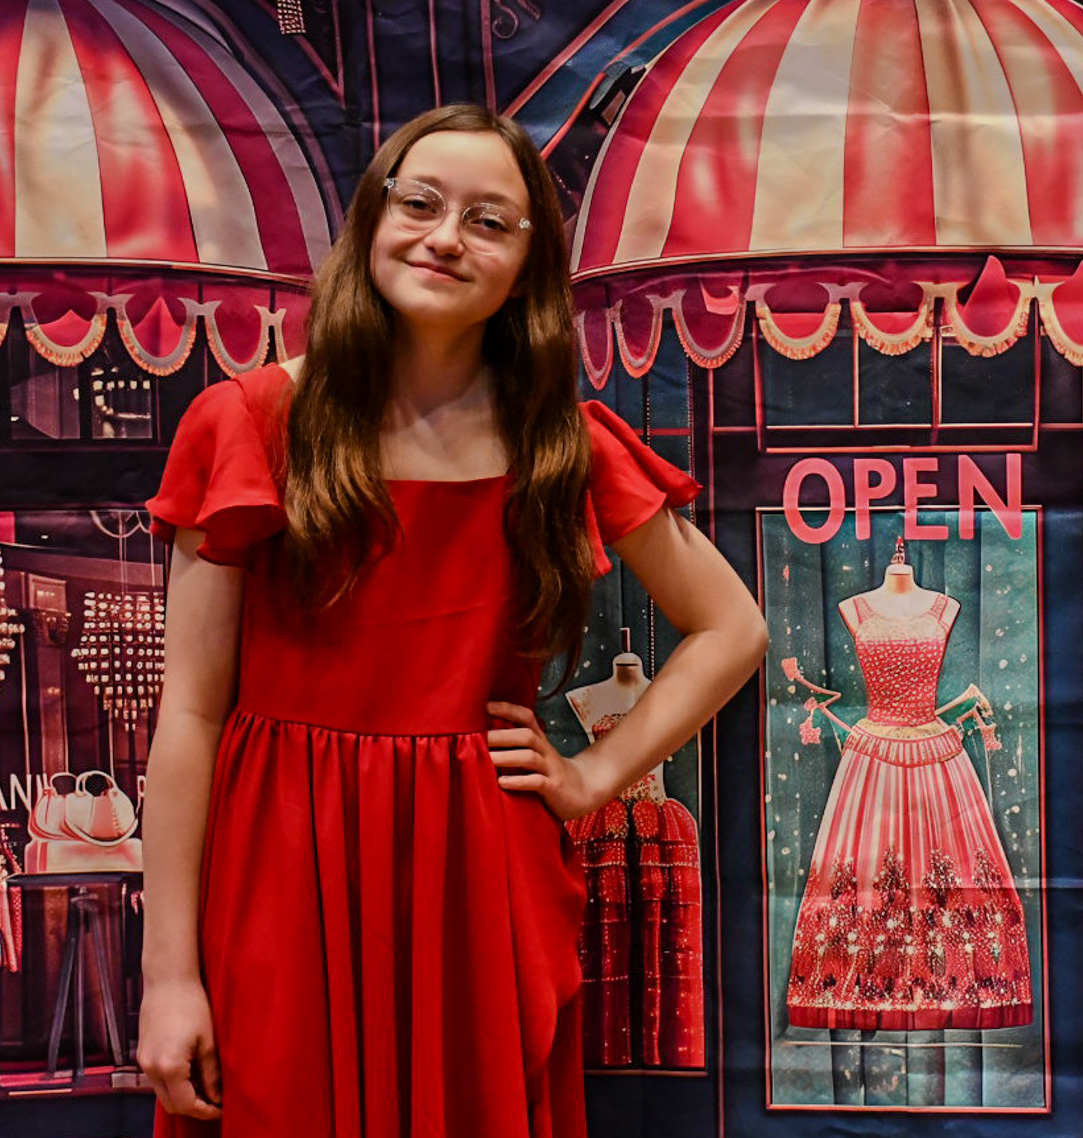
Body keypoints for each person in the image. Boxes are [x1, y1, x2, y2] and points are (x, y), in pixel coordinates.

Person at [136, 104, 767, 1138]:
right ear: (370, 221)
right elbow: (191, 718)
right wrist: (168, 975)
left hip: (475, 880)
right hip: (280, 871)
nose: (444, 235)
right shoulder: (246, 422)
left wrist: (591, 777)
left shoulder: (560, 444)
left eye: (489, 220)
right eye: (420, 202)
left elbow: (731, 629)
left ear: (526, 268)